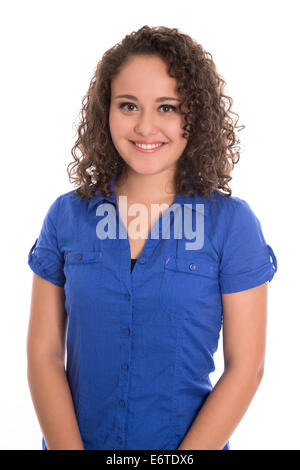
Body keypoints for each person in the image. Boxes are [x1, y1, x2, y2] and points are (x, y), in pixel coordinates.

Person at [26, 25, 278, 450]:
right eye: (129, 105)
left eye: (167, 107)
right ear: (106, 111)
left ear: (194, 115)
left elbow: (246, 367)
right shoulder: (65, 217)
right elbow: (44, 354)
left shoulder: (232, 226)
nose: (146, 126)